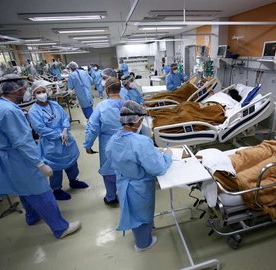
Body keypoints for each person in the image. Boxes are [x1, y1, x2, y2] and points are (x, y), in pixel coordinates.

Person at [0, 74, 80, 238]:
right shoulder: (9, 110)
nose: (25, 91)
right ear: (18, 89)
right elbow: (22, 141)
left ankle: (32, 216)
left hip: (10, 158)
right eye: (25, 88)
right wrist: (39, 164)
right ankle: (60, 228)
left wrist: (64, 129)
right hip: (21, 158)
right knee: (40, 191)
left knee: (23, 190)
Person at [104, 100, 172, 252]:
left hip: (123, 183)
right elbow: (157, 168)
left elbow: (114, 158)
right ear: (137, 121)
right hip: (139, 186)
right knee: (141, 215)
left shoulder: (113, 139)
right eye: (142, 120)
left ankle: (144, 236)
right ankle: (143, 244)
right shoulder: (141, 142)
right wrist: (167, 156)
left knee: (134, 213)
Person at [28, 80, 89, 201]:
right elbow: (40, 129)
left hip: (66, 139)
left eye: (43, 91)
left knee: (71, 161)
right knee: (54, 166)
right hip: (50, 143)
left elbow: (64, 117)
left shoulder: (54, 105)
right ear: (34, 95)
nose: (42, 94)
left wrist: (65, 129)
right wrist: (58, 135)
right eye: (38, 92)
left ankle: (73, 181)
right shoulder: (33, 111)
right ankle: (56, 189)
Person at [83, 77, 125, 205]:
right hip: (128, 142)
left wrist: (88, 145)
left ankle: (111, 197)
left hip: (108, 143)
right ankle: (125, 196)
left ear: (107, 89)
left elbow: (92, 128)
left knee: (109, 168)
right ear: (120, 88)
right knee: (126, 169)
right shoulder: (129, 104)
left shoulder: (101, 107)